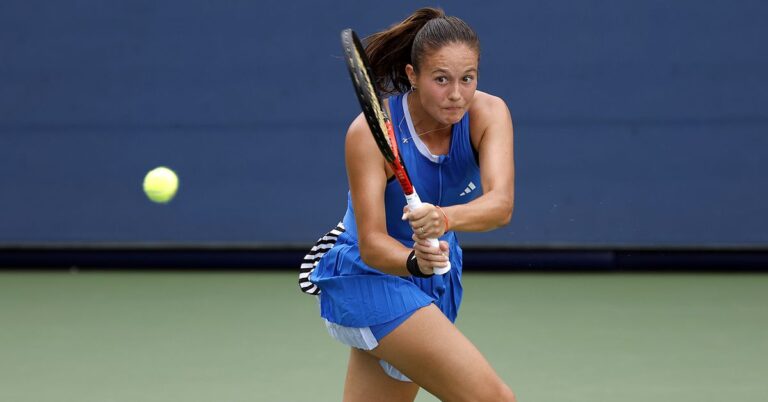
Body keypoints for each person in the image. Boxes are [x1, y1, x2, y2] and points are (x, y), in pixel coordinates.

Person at [299, 7, 515, 402]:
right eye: (441, 79)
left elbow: (500, 205)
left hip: (435, 275)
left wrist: (443, 219)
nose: (456, 94)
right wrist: (413, 261)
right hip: (371, 277)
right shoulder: (369, 133)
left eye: (468, 78)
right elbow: (371, 244)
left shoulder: (488, 114)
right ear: (412, 76)